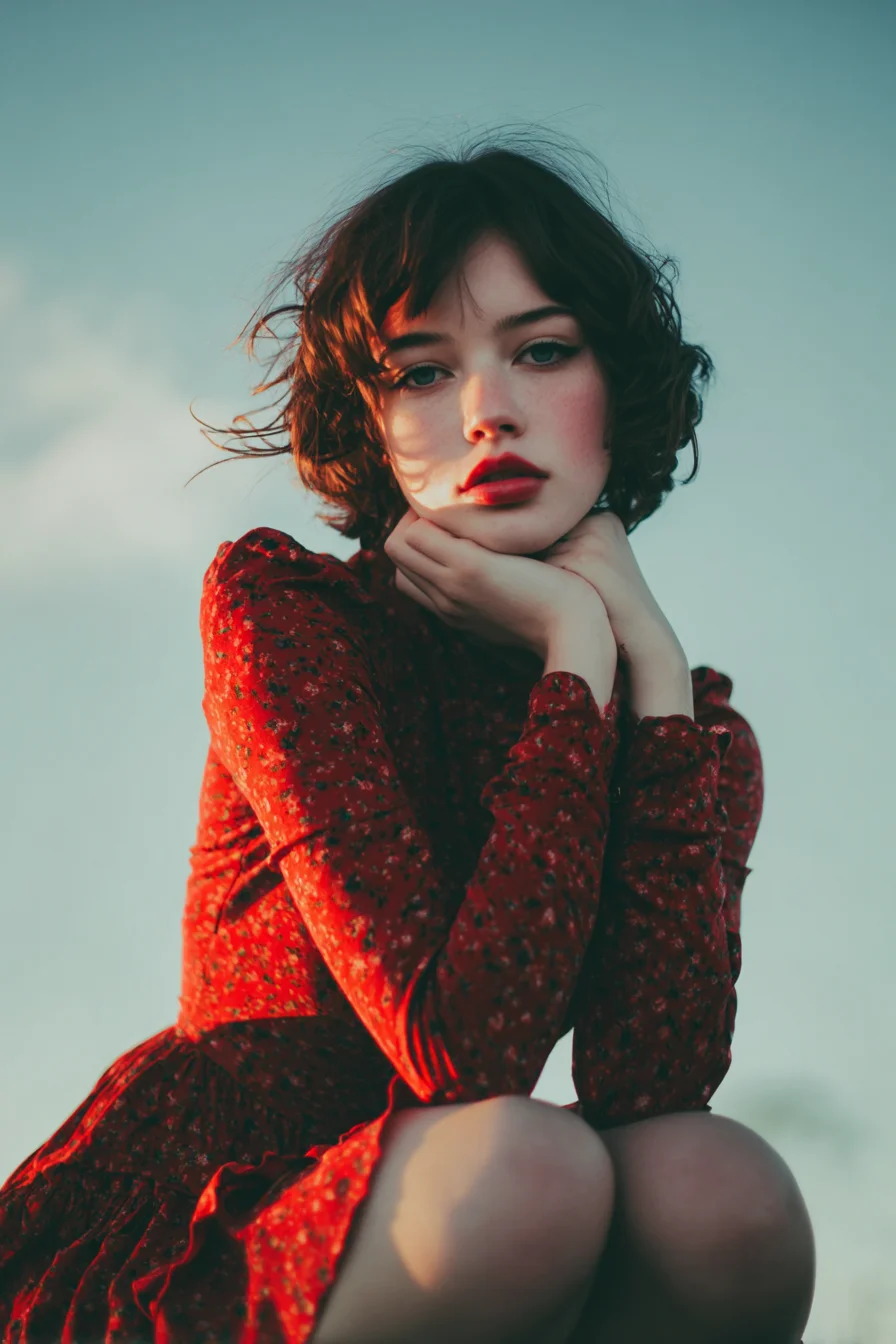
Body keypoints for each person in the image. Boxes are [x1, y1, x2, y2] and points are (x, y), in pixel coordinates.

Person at [0, 130, 815, 1344]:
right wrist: (574, 654)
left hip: (479, 1205)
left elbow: (655, 1085)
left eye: (540, 352)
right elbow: (460, 1052)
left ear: (614, 388)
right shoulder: (291, 615)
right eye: (420, 373)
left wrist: (636, 670)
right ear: (371, 422)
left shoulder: (689, 728)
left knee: (722, 1193)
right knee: (523, 1167)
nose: (487, 411)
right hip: (223, 1224)